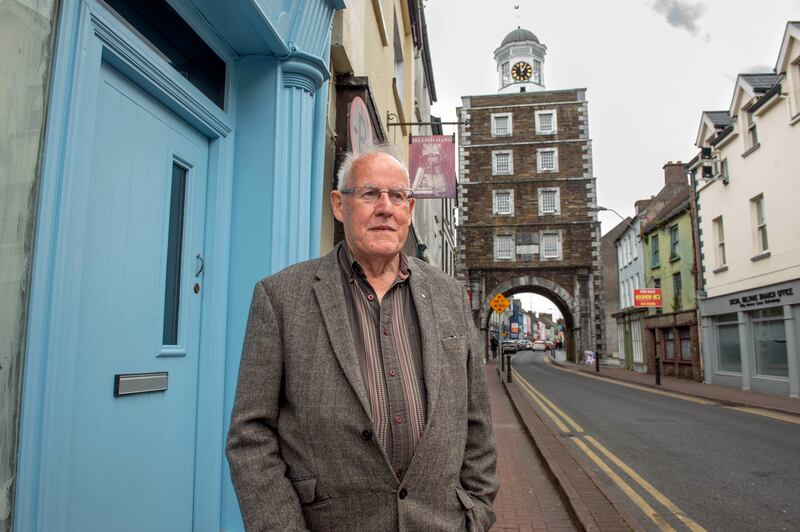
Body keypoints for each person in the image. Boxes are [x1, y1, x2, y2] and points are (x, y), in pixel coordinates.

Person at [226, 145, 498, 531]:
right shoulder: (282, 297)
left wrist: (476, 512)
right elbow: (250, 435)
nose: (386, 207)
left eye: (398, 196)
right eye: (370, 194)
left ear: (409, 209)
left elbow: (477, 422)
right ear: (340, 205)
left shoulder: (449, 296)